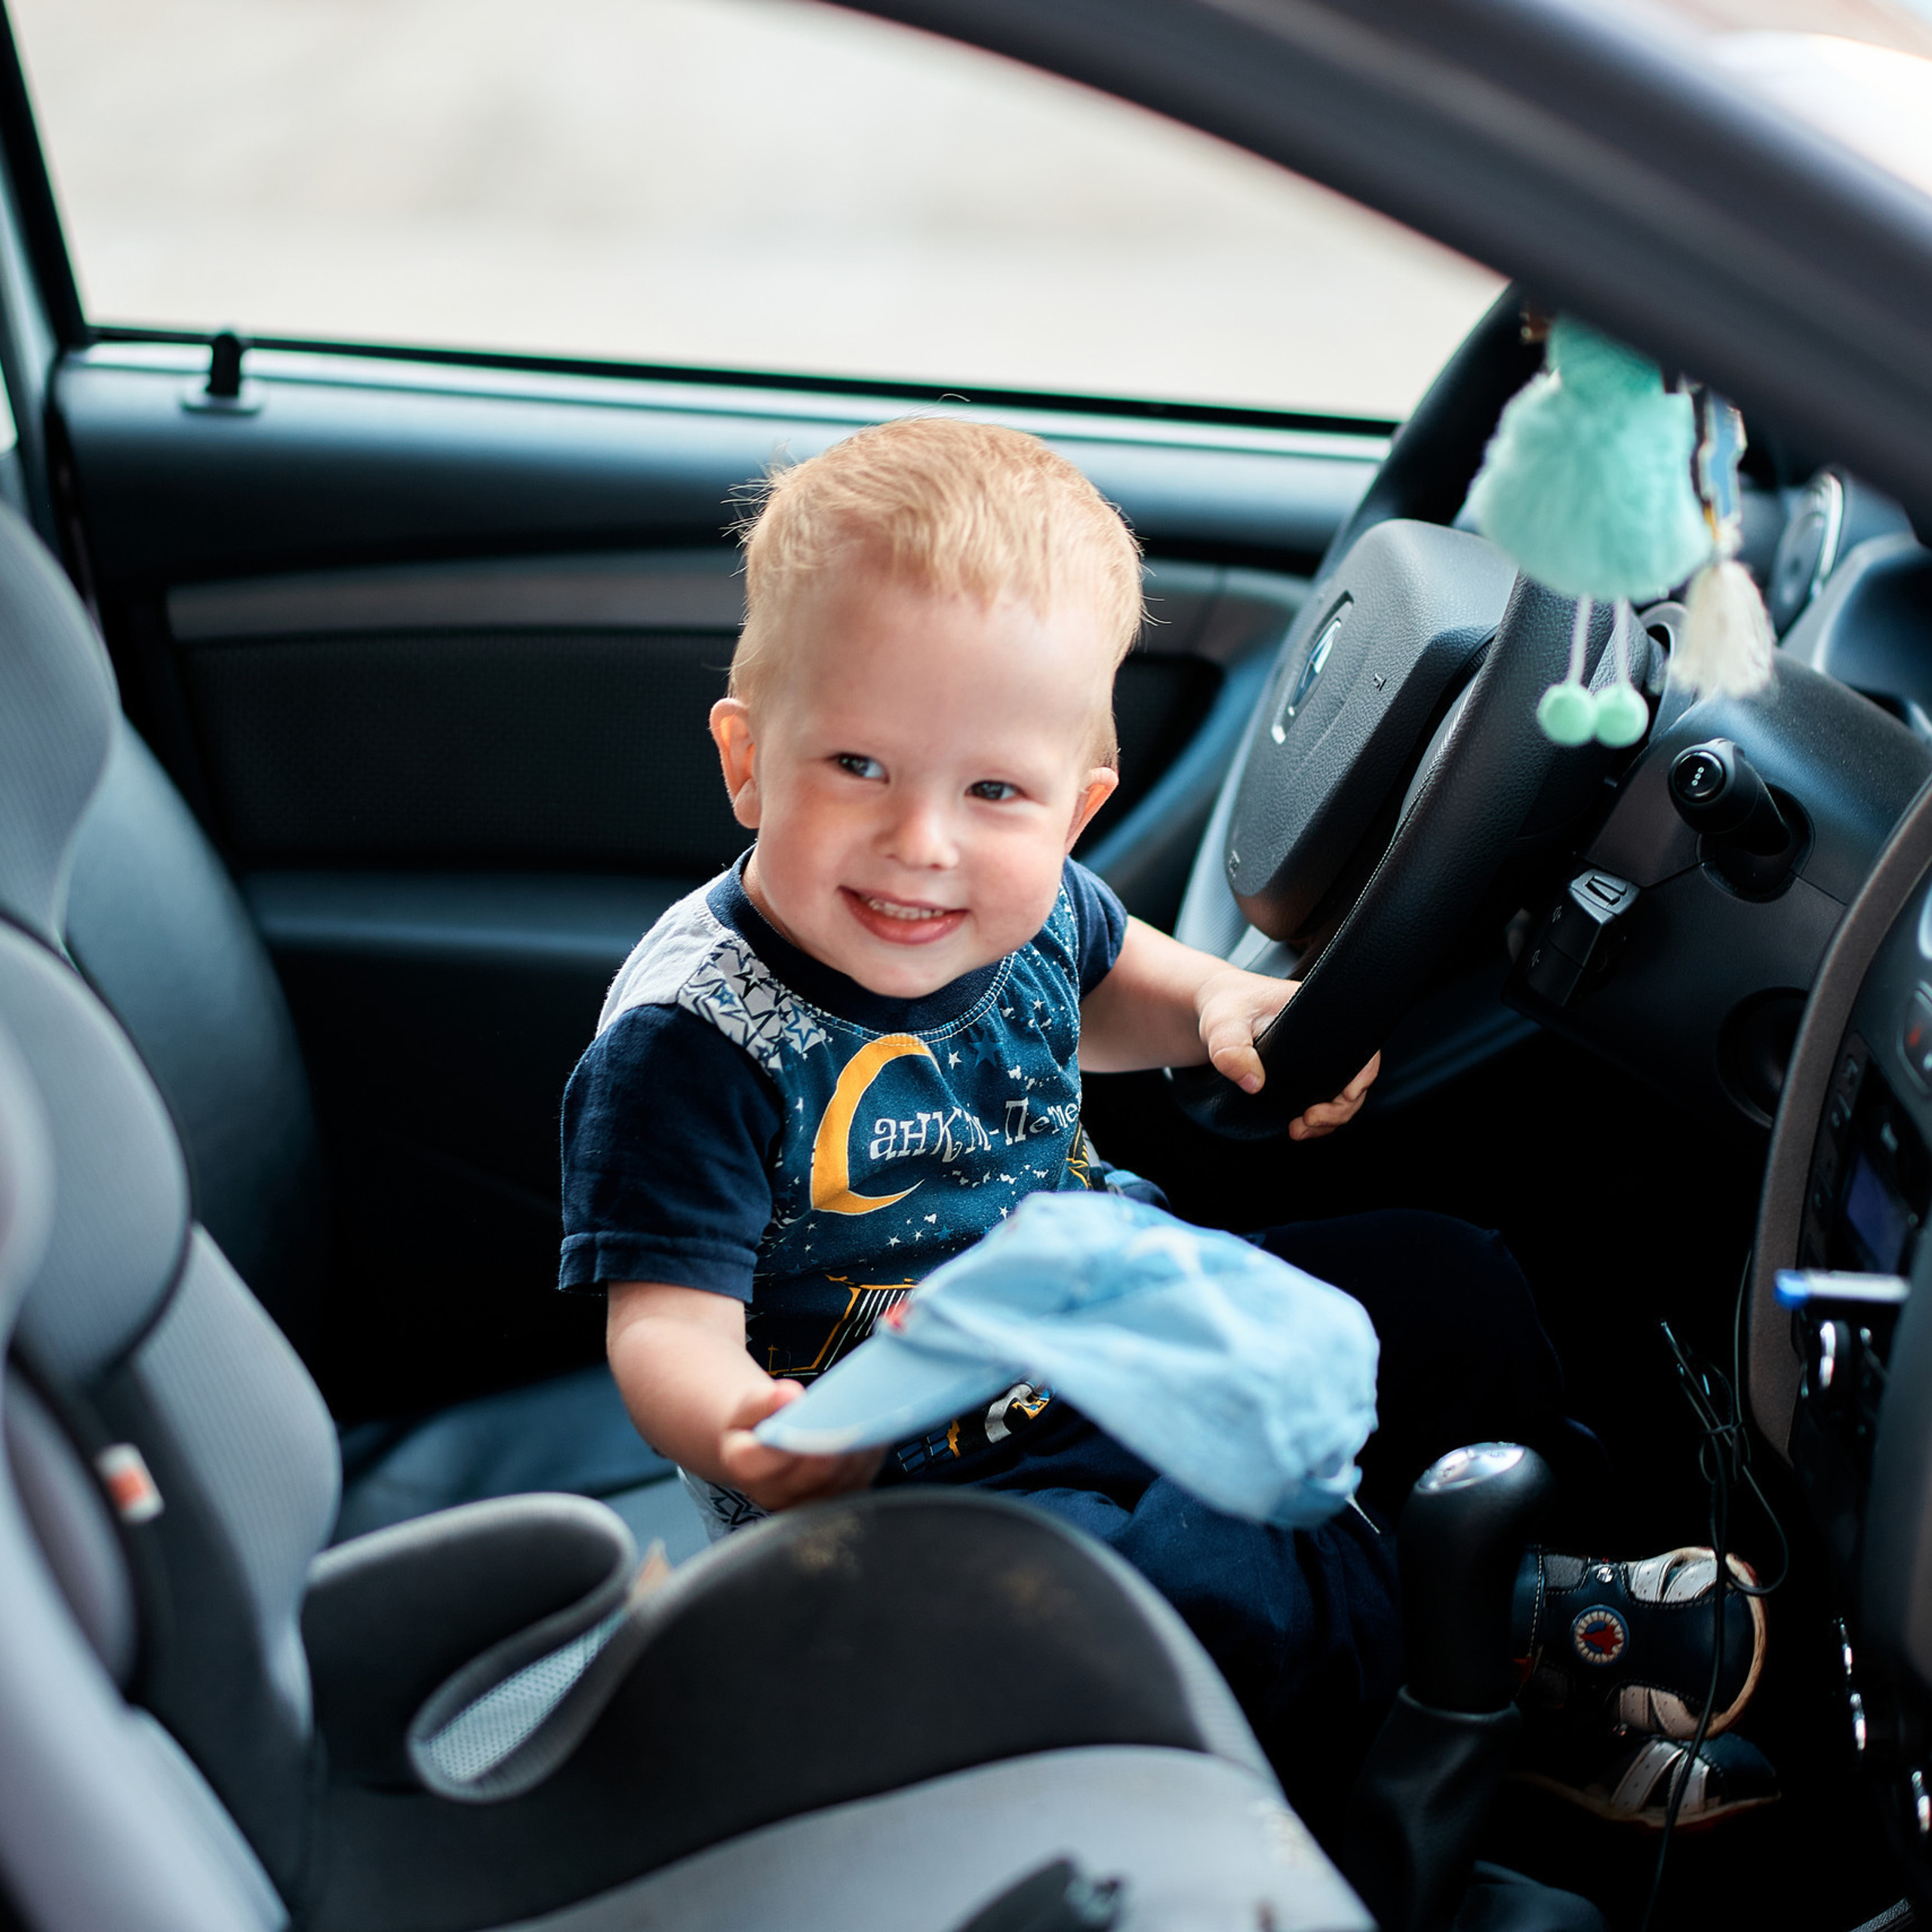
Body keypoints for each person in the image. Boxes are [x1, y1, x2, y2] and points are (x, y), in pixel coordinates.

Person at [559, 416, 1771, 1829]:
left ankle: (1514, 1579)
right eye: (858, 769)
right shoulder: (692, 1042)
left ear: (1077, 809)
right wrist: (747, 1426)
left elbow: (1113, 981)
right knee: (1214, 1583)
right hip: (915, 1484)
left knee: (1451, 1287)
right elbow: (661, 1326)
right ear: (747, 762)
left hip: (1113, 1322)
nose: (925, 844)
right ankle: (1479, 1657)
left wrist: (1217, 1008)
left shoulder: (1016, 903)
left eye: (993, 792)